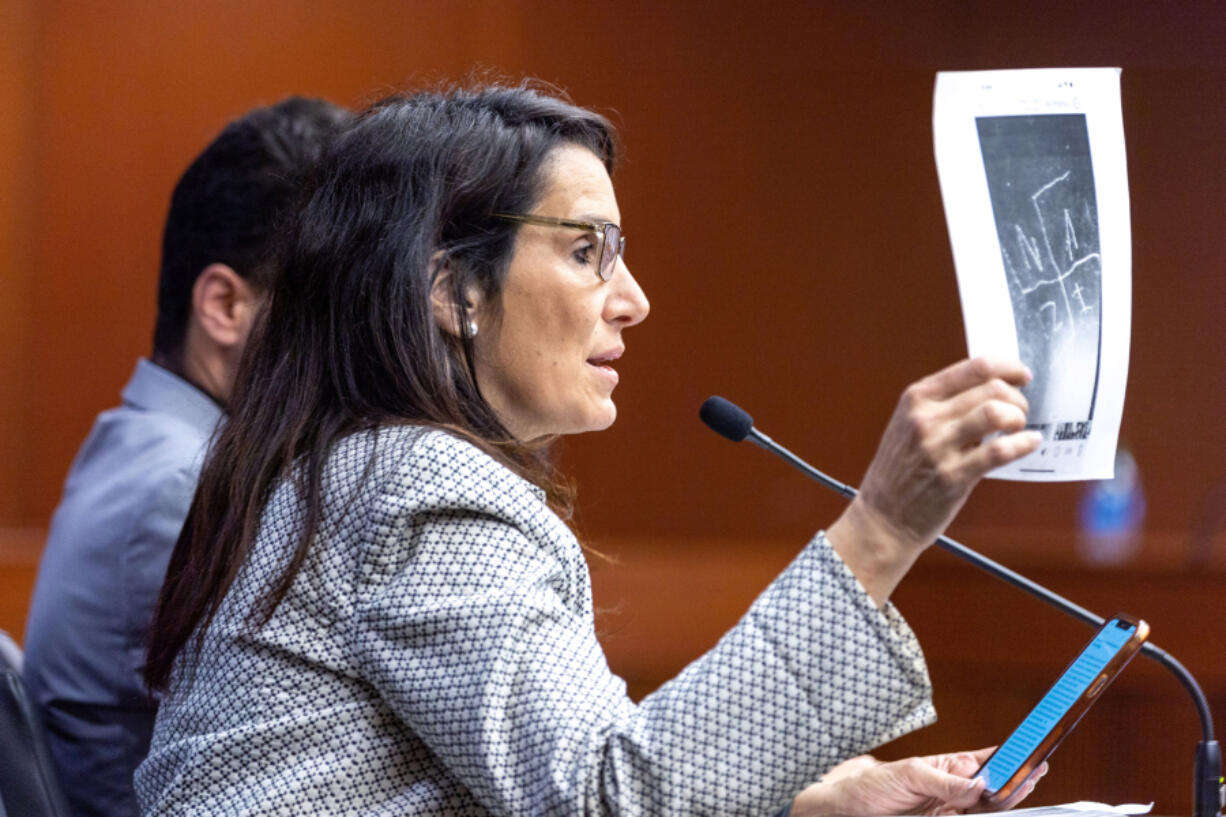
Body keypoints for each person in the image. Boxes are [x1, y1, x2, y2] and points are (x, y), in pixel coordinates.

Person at [136, 84, 1042, 817]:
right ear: (453, 289)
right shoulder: (415, 480)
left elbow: (561, 770)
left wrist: (810, 802)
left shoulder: (348, 462)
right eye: (586, 251)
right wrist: (880, 530)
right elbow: (611, 797)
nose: (633, 299)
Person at [22, 97, 353, 817]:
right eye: (329, 311)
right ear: (226, 306)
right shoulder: (189, 486)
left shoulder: (141, 446)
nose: (356, 348)